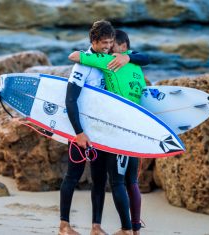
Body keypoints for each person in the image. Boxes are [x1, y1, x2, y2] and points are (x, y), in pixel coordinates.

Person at [68, 29, 149, 235]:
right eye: (106, 45)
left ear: (121, 47)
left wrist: (115, 57)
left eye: (112, 47)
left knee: (117, 181)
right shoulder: (138, 67)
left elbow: (75, 56)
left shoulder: (109, 62)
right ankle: (136, 229)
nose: (108, 51)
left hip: (118, 128)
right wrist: (129, 57)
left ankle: (125, 229)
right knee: (132, 181)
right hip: (135, 127)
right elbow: (146, 58)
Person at [59, 20, 117, 235]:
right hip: (81, 130)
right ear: (93, 41)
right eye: (104, 42)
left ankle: (96, 227)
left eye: (110, 42)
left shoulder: (107, 62)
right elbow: (70, 100)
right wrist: (78, 133)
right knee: (72, 176)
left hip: (101, 131)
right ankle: (64, 226)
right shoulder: (82, 66)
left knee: (100, 179)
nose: (107, 46)